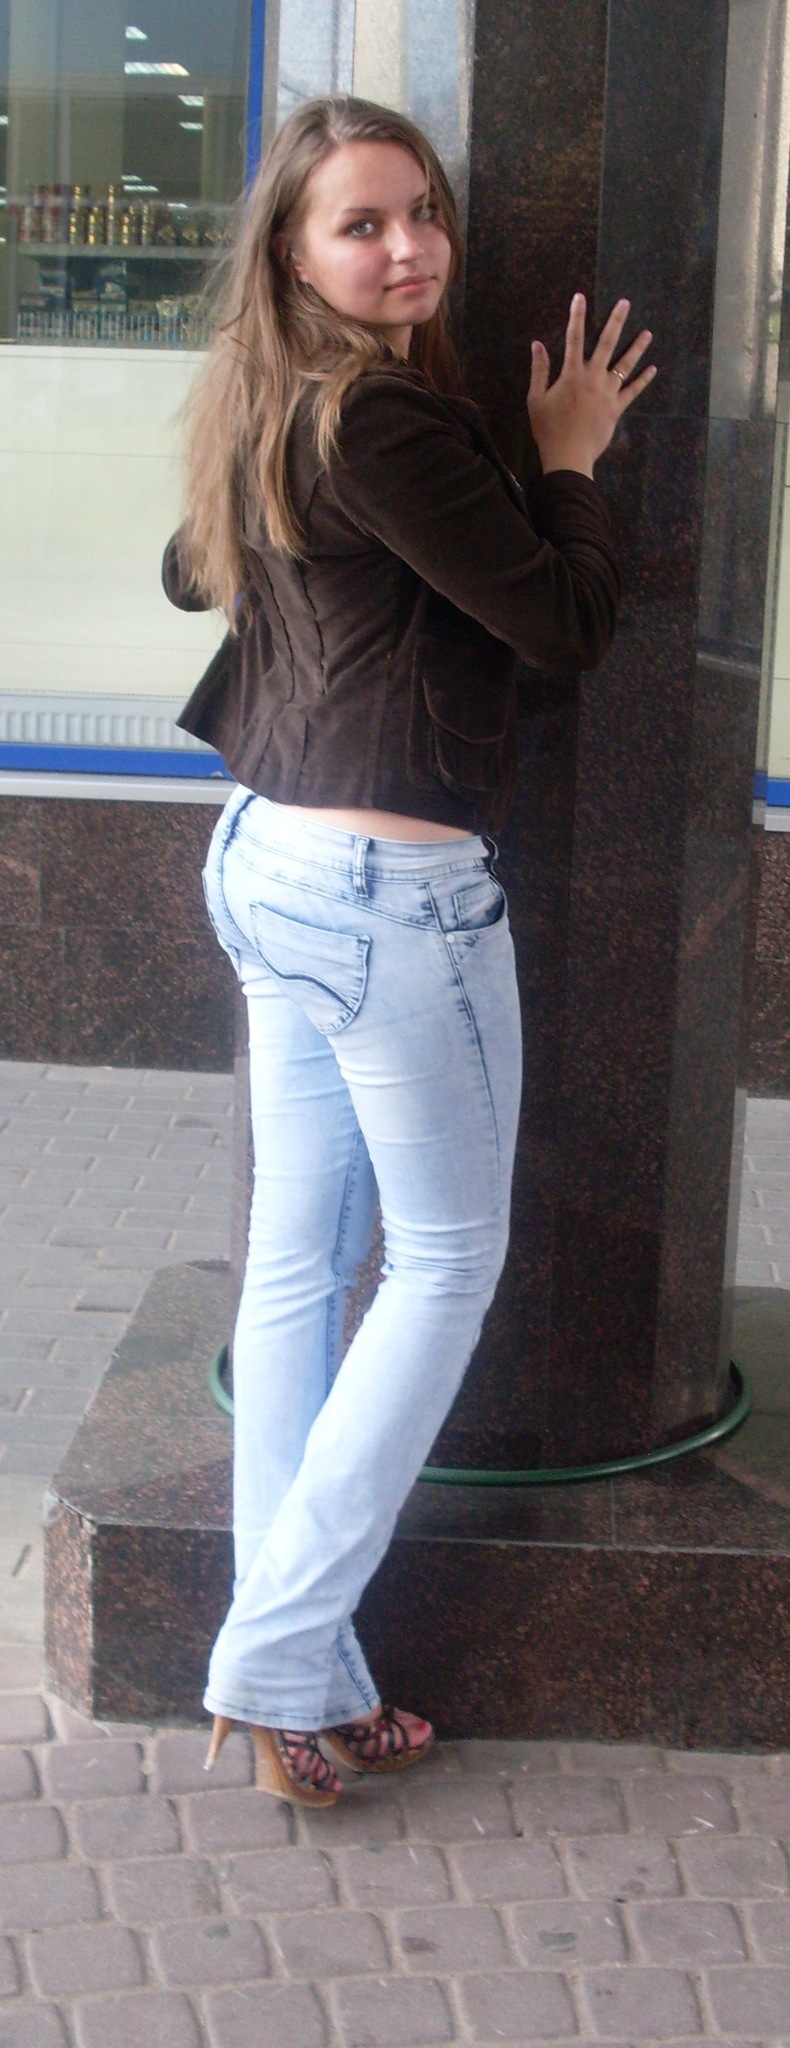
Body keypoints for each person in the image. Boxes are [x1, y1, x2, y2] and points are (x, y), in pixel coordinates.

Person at [163, 94, 655, 1808]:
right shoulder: (379, 416)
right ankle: (276, 1657)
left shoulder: (267, 397)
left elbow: (188, 578)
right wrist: (566, 460)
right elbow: (563, 623)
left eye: (421, 210)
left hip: (269, 858)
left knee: (300, 1268)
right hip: (385, 891)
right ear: (295, 252)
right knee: (442, 1267)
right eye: (360, 223)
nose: (407, 246)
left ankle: (295, 1673)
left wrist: (457, 490)